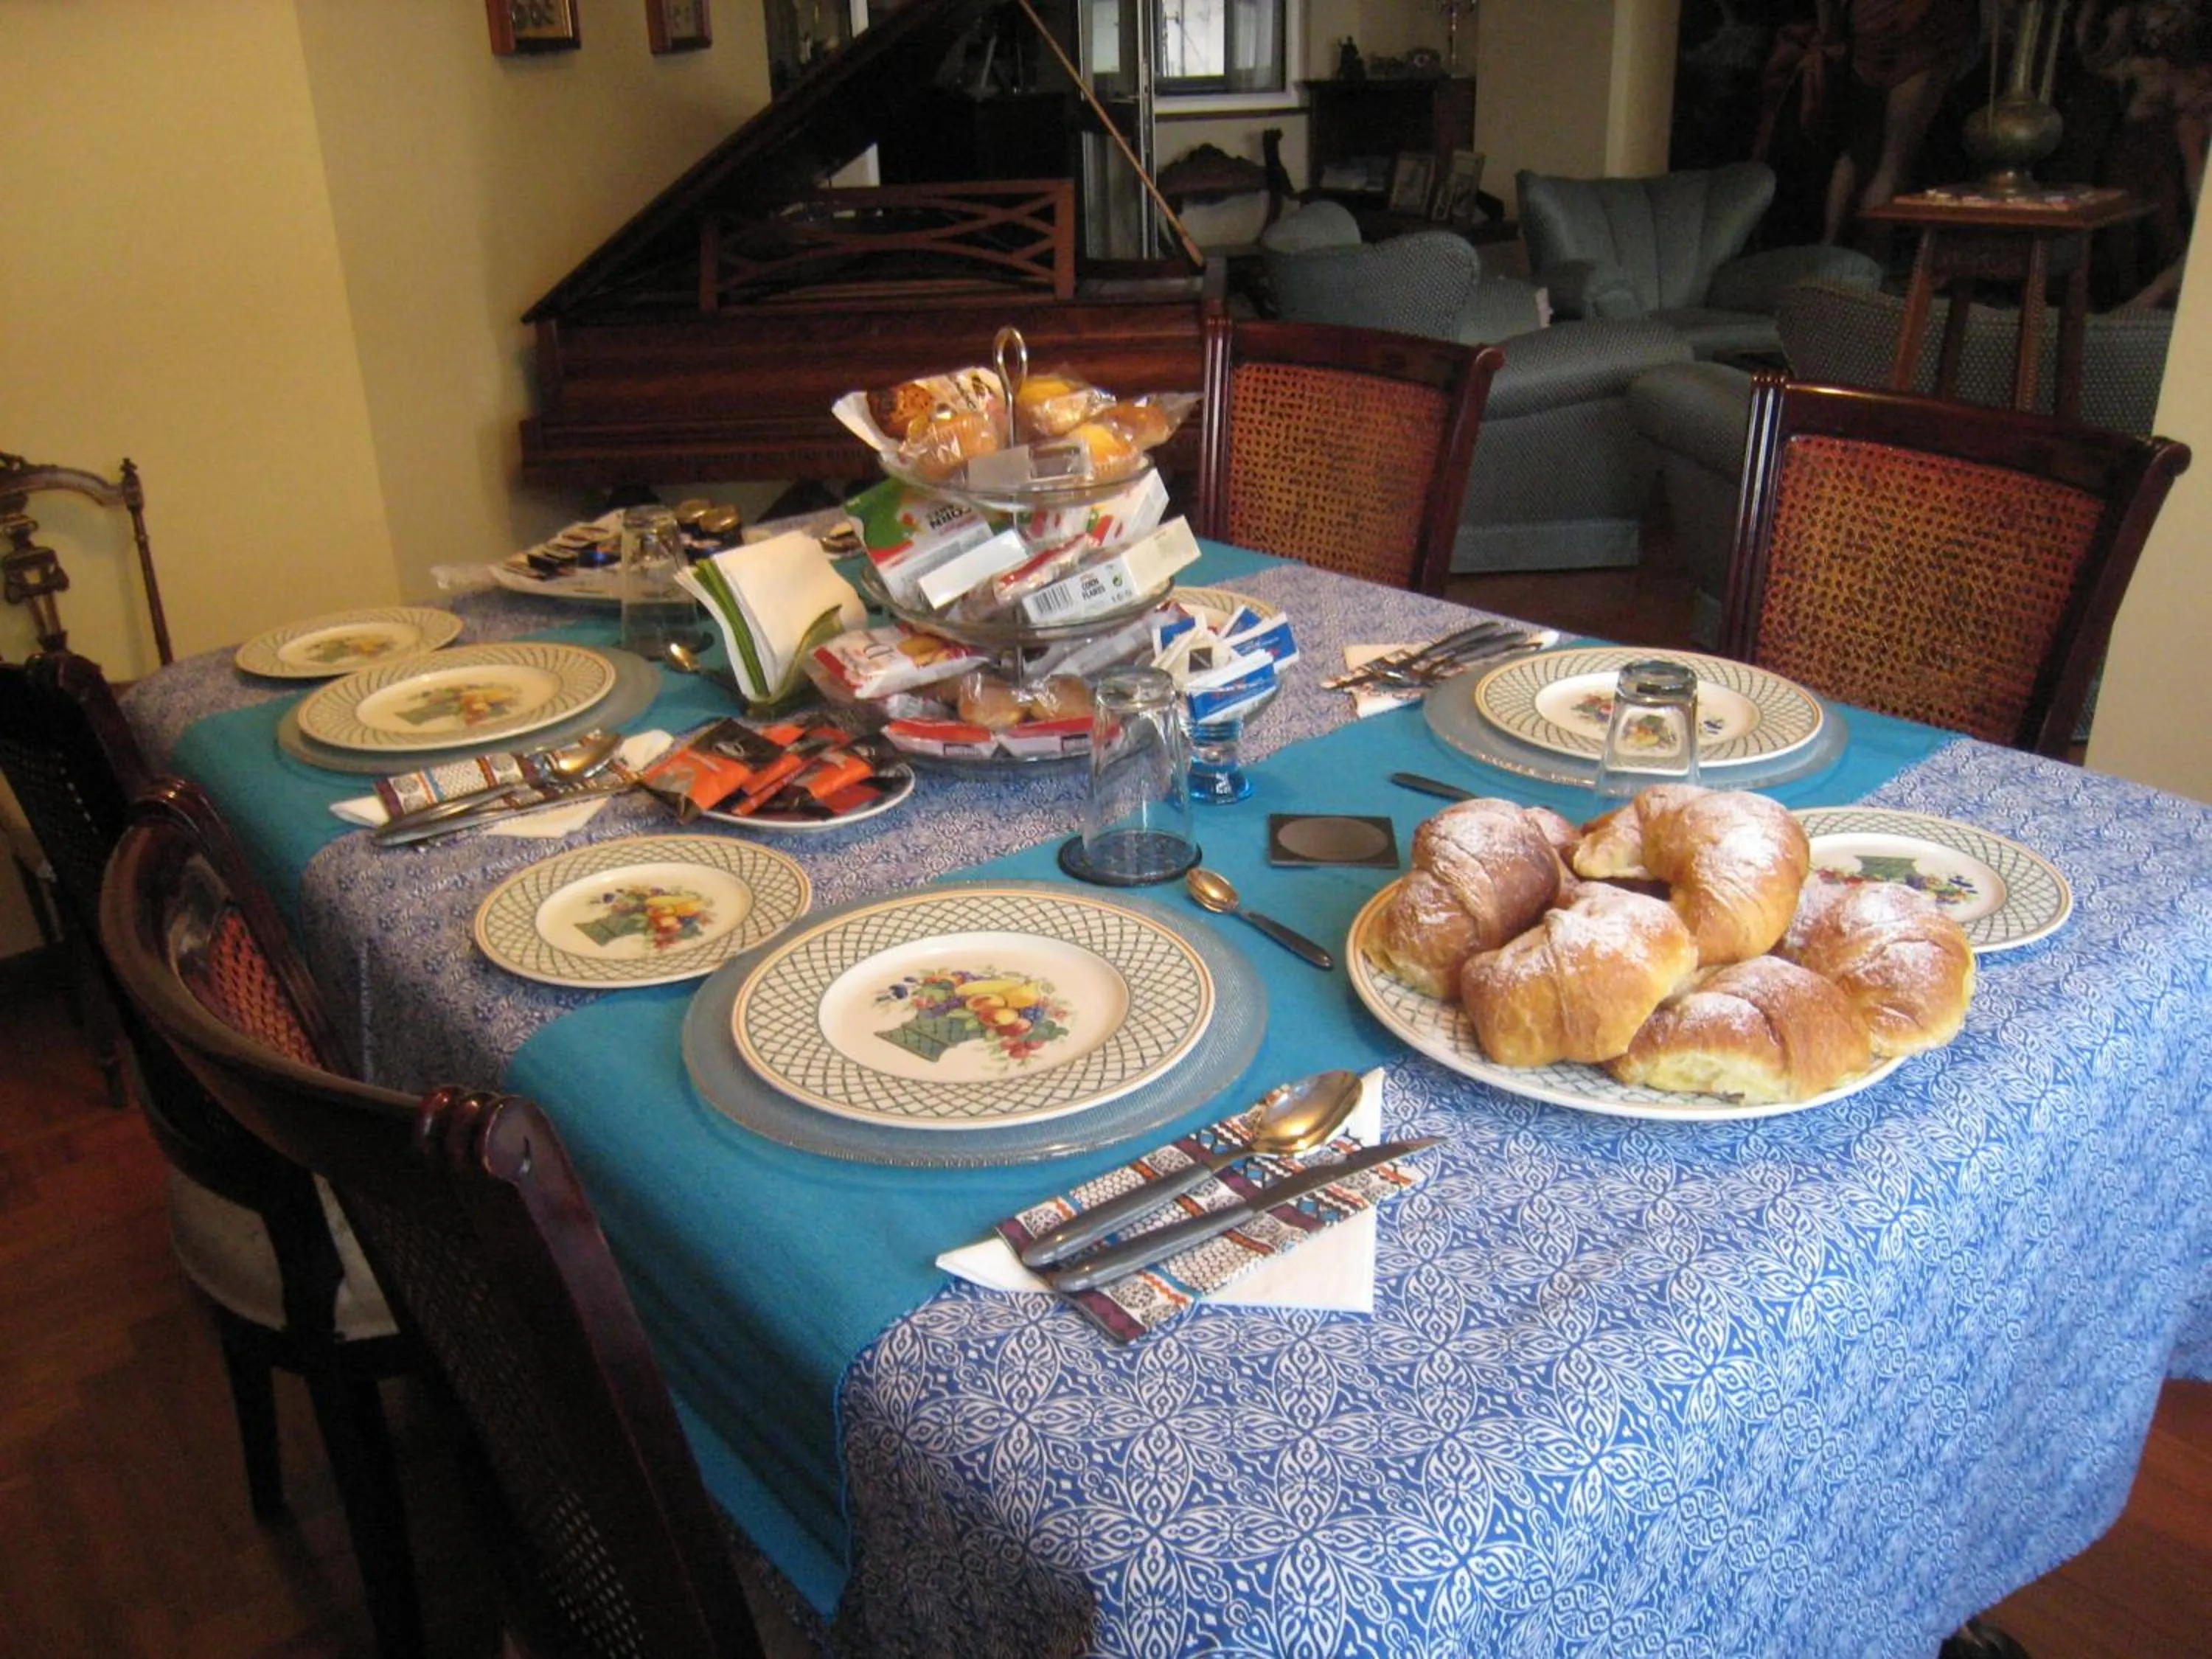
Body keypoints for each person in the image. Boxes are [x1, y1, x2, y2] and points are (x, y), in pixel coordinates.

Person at [1819, 0, 1986, 245]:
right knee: (1893, 161)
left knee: (1858, 154)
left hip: (1868, 23)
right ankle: (1872, 255)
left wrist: (1831, 31)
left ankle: (1829, 247)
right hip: (1918, 28)